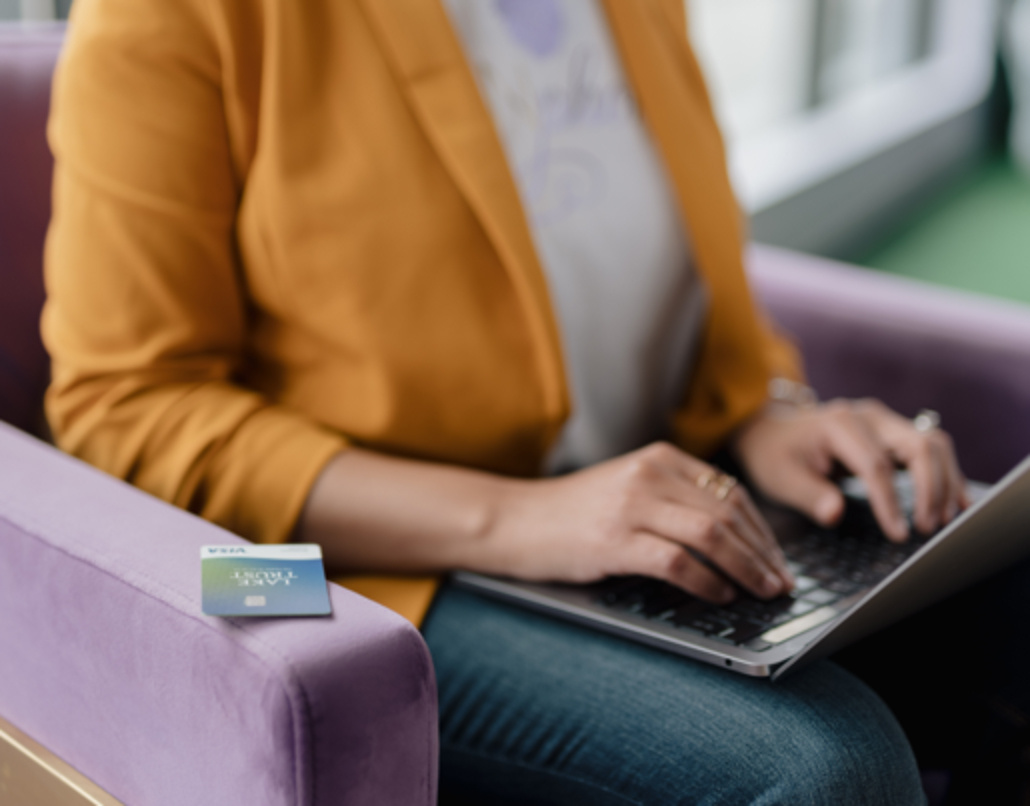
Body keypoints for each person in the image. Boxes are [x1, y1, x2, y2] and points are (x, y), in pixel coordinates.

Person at [42, 0, 1019, 802]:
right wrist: (519, 517)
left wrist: (766, 412)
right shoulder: (169, 16)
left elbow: (685, 279)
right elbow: (126, 405)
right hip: (347, 570)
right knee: (823, 770)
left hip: (647, 514)